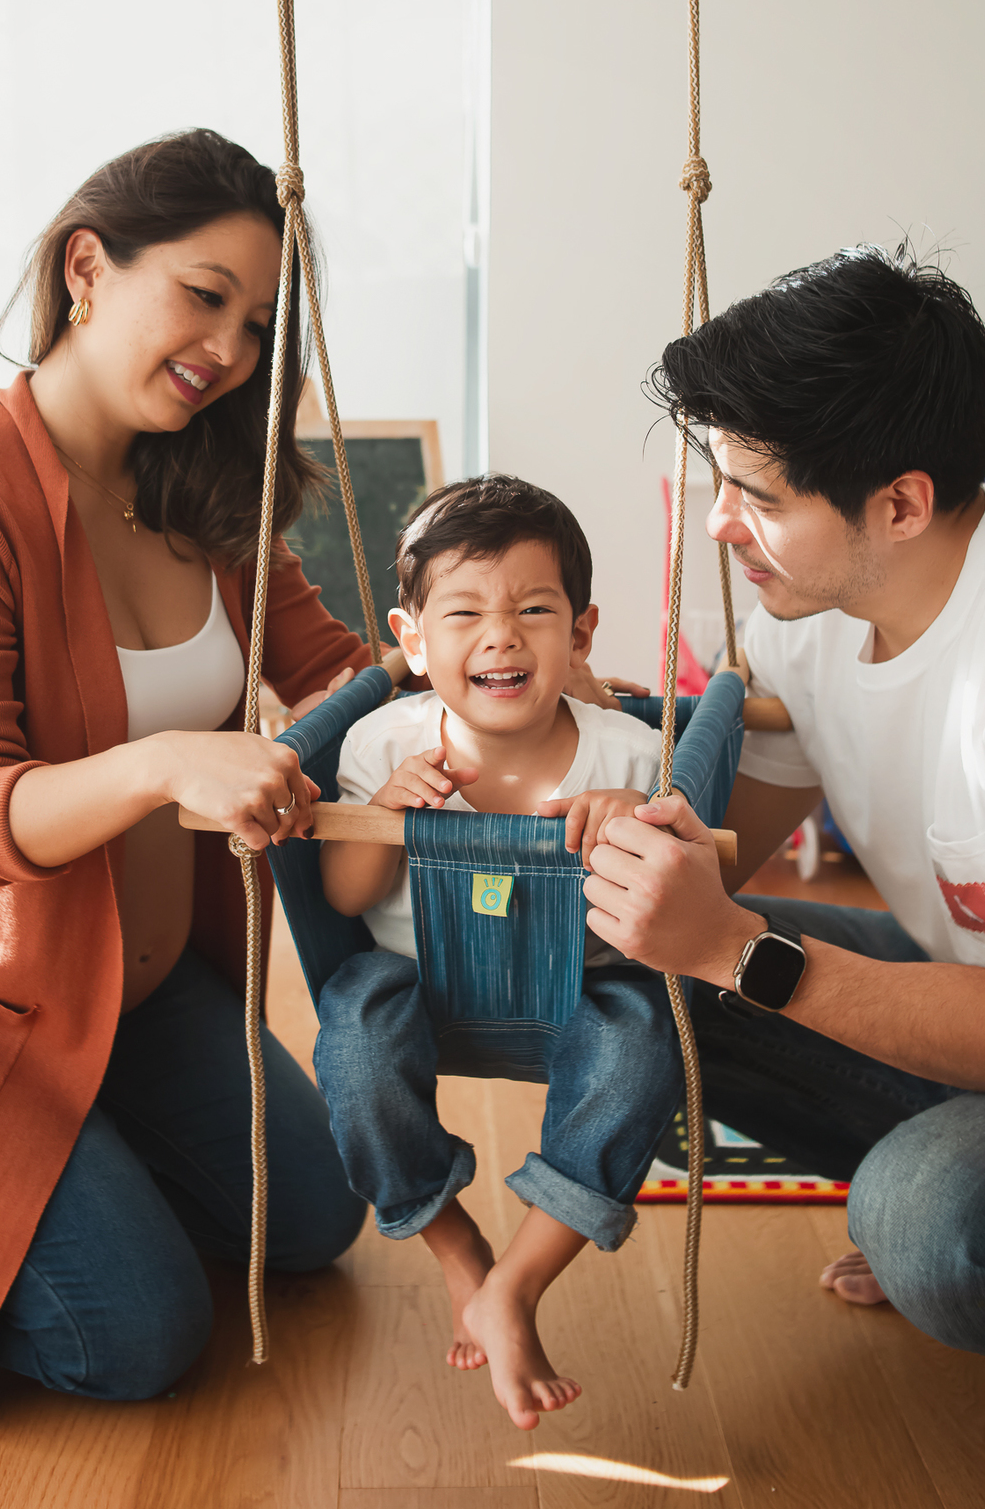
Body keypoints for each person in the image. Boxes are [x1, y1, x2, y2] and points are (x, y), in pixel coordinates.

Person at [0, 129, 389, 1421]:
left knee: (314, 1221)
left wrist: (515, 677)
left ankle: (72, 1164)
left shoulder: (204, 485)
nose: (230, 350)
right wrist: (156, 767)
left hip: (130, 997)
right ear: (88, 266)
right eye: (205, 296)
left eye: (259, 326)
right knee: (135, 1338)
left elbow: (342, 674)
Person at [579, 246, 985, 1480]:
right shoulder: (823, 609)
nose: (724, 526)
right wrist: (556, 732)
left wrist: (739, 950)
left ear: (897, 504)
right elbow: (740, 819)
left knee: (932, 1226)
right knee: (635, 963)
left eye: (758, 496)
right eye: (719, 482)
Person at [315, 475, 682, 1432]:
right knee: (353, 1024)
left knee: (647, 1041)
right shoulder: (377, 740)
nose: (501, 636)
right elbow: (346, 899)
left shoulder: (631, 756)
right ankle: (459, 1254)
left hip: (580, 986)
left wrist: (630, 826)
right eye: (465, 612)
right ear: (411, 637)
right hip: (418, 982)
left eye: (533, 610)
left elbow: (669, 898)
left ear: (583, 632)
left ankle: (517, 1283)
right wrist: (381, 811)